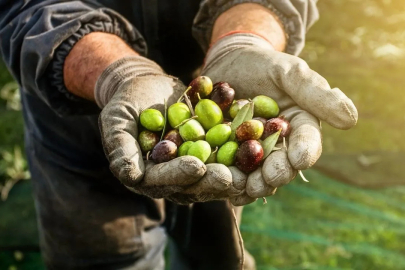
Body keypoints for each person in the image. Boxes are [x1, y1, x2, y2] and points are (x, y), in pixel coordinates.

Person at [0, 1, 358, 269]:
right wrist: (118, 73)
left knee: (217, 255)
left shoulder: (221, 126)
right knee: (103, 260)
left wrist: (245, 38)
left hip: (218, 78)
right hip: (75, 115)